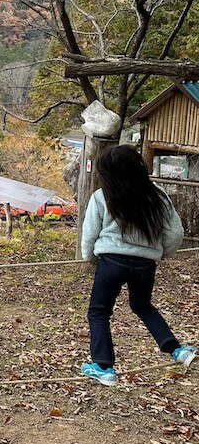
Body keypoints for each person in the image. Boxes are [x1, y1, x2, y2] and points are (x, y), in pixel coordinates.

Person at [80, 145, 195, 386]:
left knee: (99, 312)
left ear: (108, 173)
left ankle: (104, 367)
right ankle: (176, 350)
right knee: (143, 306)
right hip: (145, 264)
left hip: (111, 261)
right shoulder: (157, 195)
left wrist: (88, 257)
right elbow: (175, 233)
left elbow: (90, 233)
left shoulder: (101, 196)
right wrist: (161, 253)